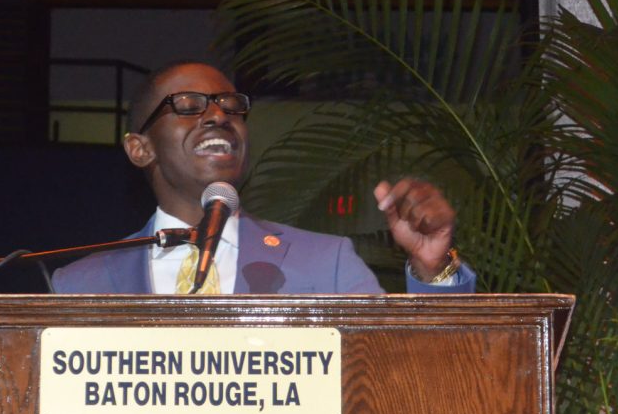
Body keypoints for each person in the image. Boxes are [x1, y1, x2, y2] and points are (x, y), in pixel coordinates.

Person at [51, 61, 475, 294]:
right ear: (139, 149)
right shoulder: (80, 284)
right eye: (188, 104)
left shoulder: (326, 265)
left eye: (230, 105)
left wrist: (432, 268)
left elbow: (400, 373)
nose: (218, 115)